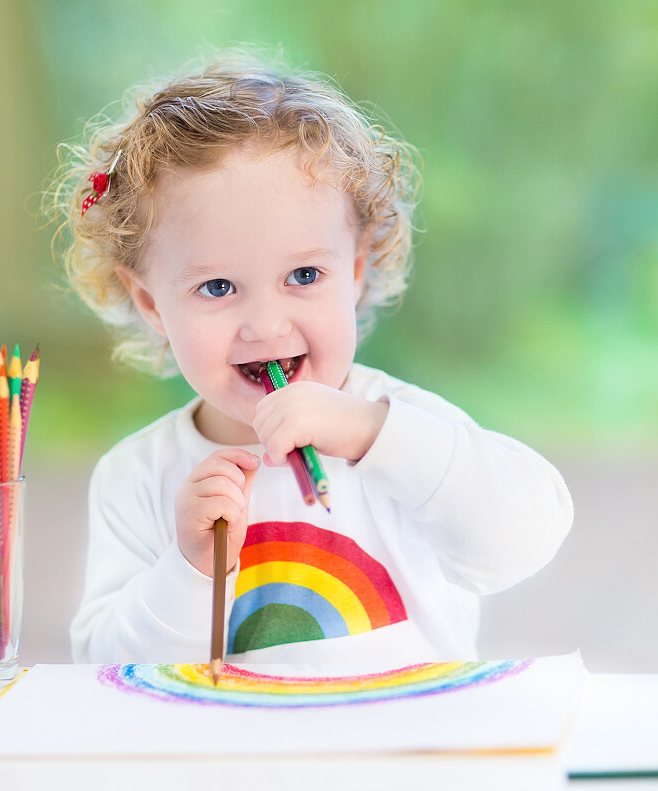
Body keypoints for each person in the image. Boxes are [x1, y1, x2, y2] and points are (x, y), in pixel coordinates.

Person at [55, 52, 573, 667]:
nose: (267, 325)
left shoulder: (399, 424)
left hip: (410, 752)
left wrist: (370, 434)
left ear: (354, 273)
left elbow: (524, 538)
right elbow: (108, 671)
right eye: (217, 288)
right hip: (229, 761)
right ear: (150, 303)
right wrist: (190, 567)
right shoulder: (137, 477)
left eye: (303, 274)